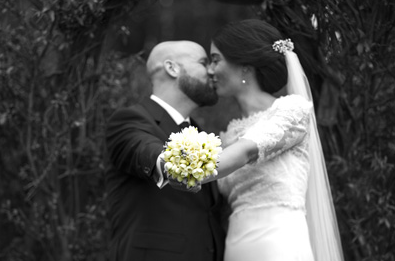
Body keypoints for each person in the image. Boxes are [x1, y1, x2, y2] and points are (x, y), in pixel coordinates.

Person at [168, 19, 344, 261]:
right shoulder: (229, 134)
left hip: (278, 243)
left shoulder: (291, 112)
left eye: (216, 60)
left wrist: (181, 168)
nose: (210, 70)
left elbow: (246, 152)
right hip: (236, 246)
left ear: (244, 66)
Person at [105, 40, 226, 261]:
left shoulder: (201, 133)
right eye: (203, 62)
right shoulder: (130, 120)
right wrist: (167, 164)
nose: (212, 70)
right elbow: (144, 150)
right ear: (172, 68)